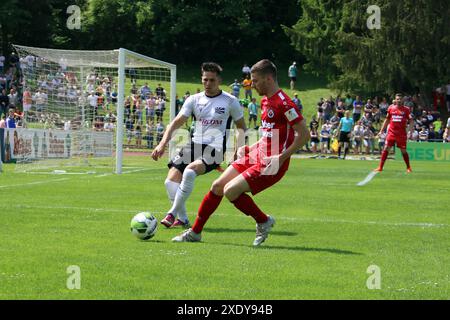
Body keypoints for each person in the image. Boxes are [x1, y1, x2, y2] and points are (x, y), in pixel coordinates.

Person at [172, 59, 310, 246]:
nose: (252, 85)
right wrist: (249, 148)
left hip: (273, 163)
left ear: (269, 79)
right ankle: (195, 233)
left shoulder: (284, 104)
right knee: (217, 186)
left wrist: (281, 156)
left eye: (255, 81)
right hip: (258, 154)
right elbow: (269, 136)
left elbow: (304, 134)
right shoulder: (265, 101)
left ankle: (263, 221)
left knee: (230, 191)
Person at [151, 62, 246, 228]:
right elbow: (175, 123)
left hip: (215, 149)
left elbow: (241, 128)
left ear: (219, 81)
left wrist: (237, 151)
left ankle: (171, 214)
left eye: (212, 80)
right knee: (170, 181)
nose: (208, 84)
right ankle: (183, 219)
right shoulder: (194, 100)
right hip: (194, 145)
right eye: (205, 80)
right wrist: (162, 144)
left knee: (189, 171)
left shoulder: (230, 101)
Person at [374, 93, 414, 172]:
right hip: (391, 133)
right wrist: (381, 131)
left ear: (402, 100)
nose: (399, 100)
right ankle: (380, 167)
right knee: (386, 148)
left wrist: (409, 131)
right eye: (397, 99)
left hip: (401, 134)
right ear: (395, 100)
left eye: (400, 99)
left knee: (403, 150)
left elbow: (411, 121)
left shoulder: (406, 109)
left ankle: (408, 167)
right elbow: (387, 120)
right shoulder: (391, 108)